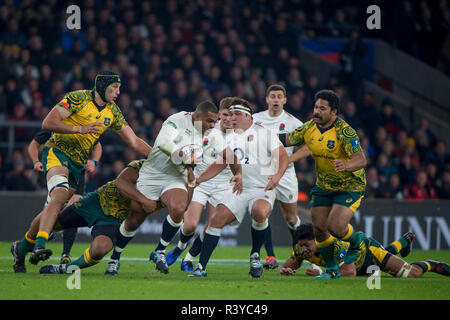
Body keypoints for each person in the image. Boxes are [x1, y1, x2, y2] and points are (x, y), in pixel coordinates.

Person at [13, 71, 151, 268]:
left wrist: (160, 157)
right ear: (102, 87)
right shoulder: (77, 98)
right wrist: (79, 129)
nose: (118, 92)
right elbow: (48, 122)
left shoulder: (113, 111)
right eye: (114, 87)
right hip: (57, 152)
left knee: (58, 209)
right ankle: (40, 245)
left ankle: (21, 248)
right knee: (59, 195)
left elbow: (134, 141)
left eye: (119, 87)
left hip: (78, 164)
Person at [108, 100, 219, 275]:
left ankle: (160, 250)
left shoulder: (209, 135)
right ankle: (115, 258)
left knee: (178, 208)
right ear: (197, 117)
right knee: (134, 219)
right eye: (210, 121)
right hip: (153, 172)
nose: (213, 125)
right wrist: (183, 156)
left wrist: (191, 171)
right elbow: (163, 142)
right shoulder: (177, 119)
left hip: (175, 177)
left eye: (215, 121)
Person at [189, 97, 289, 278]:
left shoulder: (264, 133)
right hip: (237, 188)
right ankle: (200, 268)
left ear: (248, 116)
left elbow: (282, 156)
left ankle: (255, 255)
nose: (232, 118)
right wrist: (200, 179)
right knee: (216, 220)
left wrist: (277, 176)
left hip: (262, 187)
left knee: (259, 212)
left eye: (236, 114)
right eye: (230, 114)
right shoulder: (229, 137)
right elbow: (220, 163)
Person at [286, 89, 367, 279]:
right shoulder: (309, 128)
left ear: (334, 113)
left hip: (349, 185)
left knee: (336, 227)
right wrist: (257, 137)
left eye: (322, 108)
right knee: (319, 228)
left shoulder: (344, 132)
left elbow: (361, 159)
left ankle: (357, 242)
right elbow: (287, 139)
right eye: (316, 107)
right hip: (323, 186)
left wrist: (347, 165)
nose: (317, 111)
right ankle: (331, 270)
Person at [36, 159, 158, 274]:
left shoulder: (170, 184)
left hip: (114, 218)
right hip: (98, 201)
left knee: (100, 249)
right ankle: (23, 247)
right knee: (53, 223)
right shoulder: (142, 166)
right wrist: (143, 200)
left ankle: (64, 269)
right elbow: (120, 182)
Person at [164, 96, 242, 272]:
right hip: (200, 182)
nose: (229, 118)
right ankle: (180, 247)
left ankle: (189, 259)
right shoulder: (206, 131)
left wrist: (238, 173)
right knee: (190, 225)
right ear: (218, 115)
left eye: (233, 115)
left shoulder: (238, 138)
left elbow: (232, 163)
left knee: (210, 228)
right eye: (225, 114)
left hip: (223, 185)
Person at [252, 84, 309, 269]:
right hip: (262, 173)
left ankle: (301, 255)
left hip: (285, 174)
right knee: (262, 212)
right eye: (272, 96)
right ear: (267, 99)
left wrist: (288, 159)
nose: (276, 99)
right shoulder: (255, 119)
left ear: (285, 100)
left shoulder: (294, 123)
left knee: (291, 218)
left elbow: (309, 146)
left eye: (279, 96)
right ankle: (270, 256)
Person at [26, 129, 102, 265]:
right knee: (56, 206)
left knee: (72, 208)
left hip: (77, 172)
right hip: (58, 167)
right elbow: (34, 144)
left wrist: (94, 161)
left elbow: (97, 145)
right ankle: (30, 242)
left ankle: (65, 253)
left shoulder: (84, 123)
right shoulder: (54, 124)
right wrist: (36, 161)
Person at [279, 223, 449, 278]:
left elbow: (349, 271)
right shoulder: (300, 249)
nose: (303, 249)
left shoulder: (336, 247)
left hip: (369, 253)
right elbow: (288, 266)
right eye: (301, 245)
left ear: (318, 240)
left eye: (307, 245)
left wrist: (322, 274)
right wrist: (286, 270)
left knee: (411, 274)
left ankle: (431, 264)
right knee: (387, 255)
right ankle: (404, 241)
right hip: (360, 265)